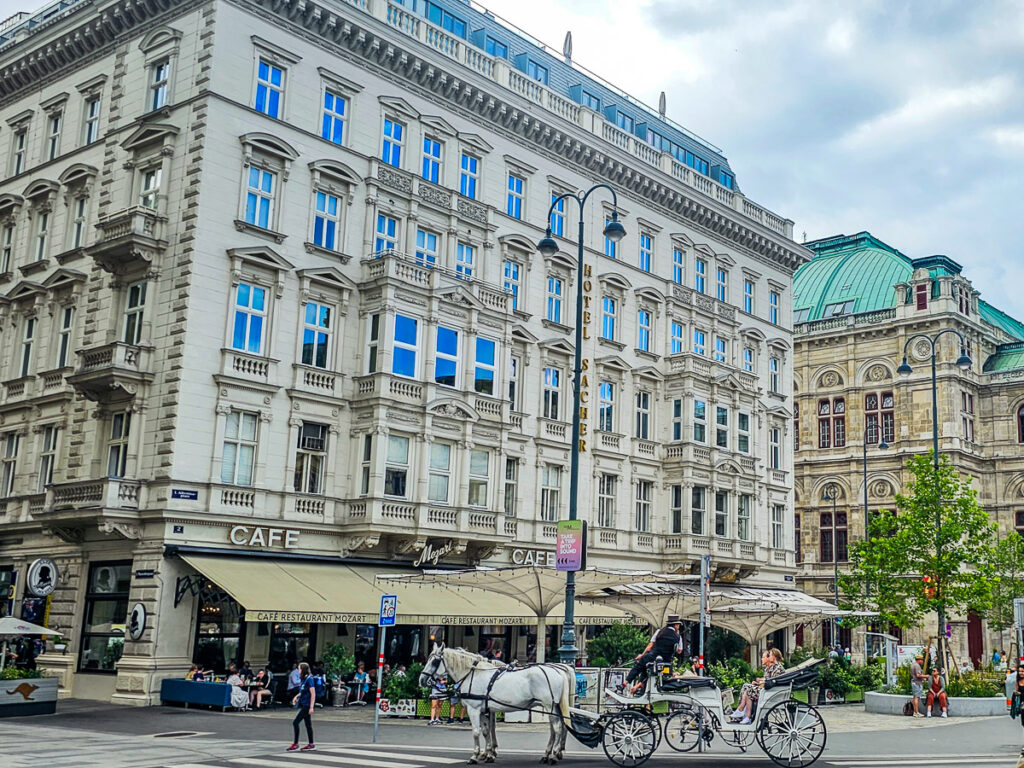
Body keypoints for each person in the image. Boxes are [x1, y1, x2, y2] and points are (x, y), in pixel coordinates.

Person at [623, 614, 683, 694]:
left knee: (639, 667)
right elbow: (679, 651)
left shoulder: (659, 632)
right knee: (651, 670)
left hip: (652, 657)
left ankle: (625, 683)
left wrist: (642, 655)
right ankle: (640, 684)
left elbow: (650, 646)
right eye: (678, 625)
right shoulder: (678, 637)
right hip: (666, 662)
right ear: (676, 625)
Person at [729, 648, 785, 724]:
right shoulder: (774, 667)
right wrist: (759, 682)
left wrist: (761, 682)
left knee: (748, 689)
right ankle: (745, 715)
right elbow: (769, 680)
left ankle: (741, 710)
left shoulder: (778, 668)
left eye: (770, 655)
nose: (768, 657)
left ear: (774, 657)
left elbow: (771, 682)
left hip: (771, 692)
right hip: (769, 690)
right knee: (747, 687)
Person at [287, 661, 316, 752]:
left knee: (296, 722)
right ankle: (311, 743)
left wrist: (311, 707)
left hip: (307, 705)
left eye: (299, 668)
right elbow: (303, 691)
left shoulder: (309, 679)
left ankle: (296, 743)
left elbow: (313, 693)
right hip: (304, 703)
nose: (298, 670)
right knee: (308, 724)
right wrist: (296, 696)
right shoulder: (304, 679)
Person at [910, 653, 928, 717]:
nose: (922, 661)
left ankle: (915, 712)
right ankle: (916, 712)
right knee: (917, 698)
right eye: (922, 660)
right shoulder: (917, 666)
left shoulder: (913, 665)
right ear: (919, 660)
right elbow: (918, 675)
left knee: (915, 697)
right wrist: (926, 676)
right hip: (917, 683)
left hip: (914, 682)